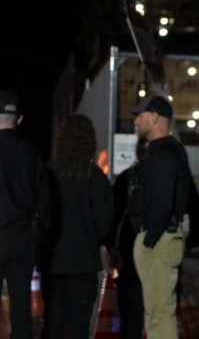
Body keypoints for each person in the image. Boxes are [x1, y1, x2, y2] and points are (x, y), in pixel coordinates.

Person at [39, 114, 113, 339]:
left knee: (52, 326)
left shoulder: (48, 174)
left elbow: (40, 216)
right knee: (79, 329)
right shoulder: (95, 177)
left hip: (53, 263)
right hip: (84, 265)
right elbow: (104, 223)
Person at [129, 95, 191, 339]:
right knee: (156, 313)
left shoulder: (163, 155)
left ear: (154, 117)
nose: (136, 122)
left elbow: (162, 202)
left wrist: (149, 241)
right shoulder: (168, 152)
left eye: (140, 116)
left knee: (159, 315)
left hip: (159, 240)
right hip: (161, 238)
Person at [0, 89, 49, 339]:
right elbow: (45, 203)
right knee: (21, 312)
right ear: (19, 120)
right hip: (22, 243)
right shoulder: (31, 154)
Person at [107, 138, 148, 339]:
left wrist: (110, 247)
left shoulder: (127, 178)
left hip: (129, 249)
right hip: (156, 250)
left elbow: (112, 216)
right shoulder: (167, 177)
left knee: (130, 311)